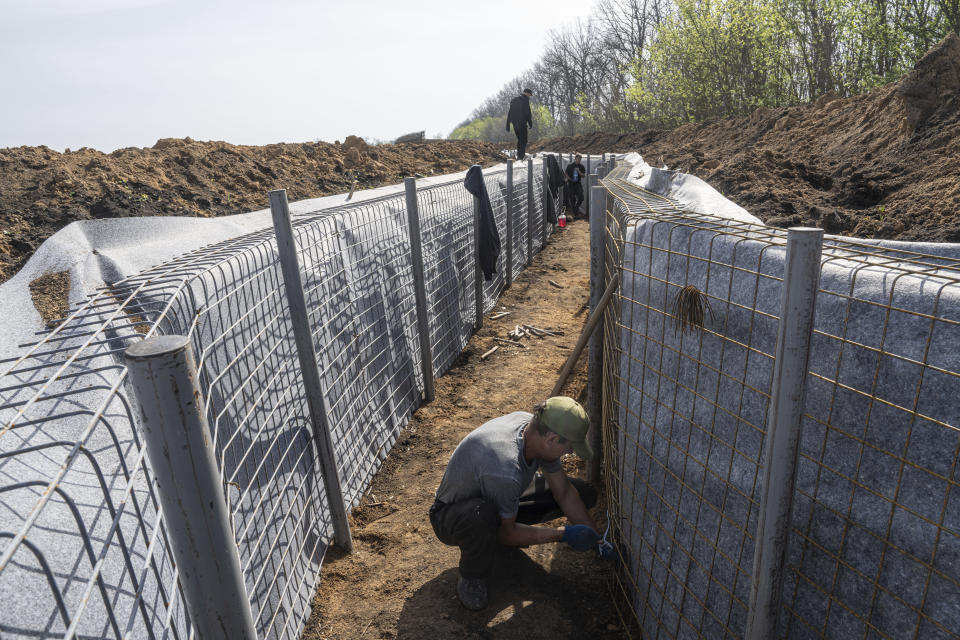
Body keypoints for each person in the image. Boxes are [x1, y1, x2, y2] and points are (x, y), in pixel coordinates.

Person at [429, 396, 600, 610]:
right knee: (482, 516)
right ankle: (472, 576)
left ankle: (499, 530)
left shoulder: (533, 428)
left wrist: (598, 541)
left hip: (497, 495)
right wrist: (563, 534)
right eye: (570, 447)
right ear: (552, 439)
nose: (571, 452)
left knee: (582, 493)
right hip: (455, 517)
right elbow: (506, 533)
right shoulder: (505, 469)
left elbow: (564, 492)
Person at [506, 89, 534, 160]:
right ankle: (521, 156)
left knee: (520, 140)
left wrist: (508, 124)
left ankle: (519, 155)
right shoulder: (525, 100)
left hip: (515, 125)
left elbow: (510, 113)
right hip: (522, 124)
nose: (529, 96)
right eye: (529, 95)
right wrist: (530, 123)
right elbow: (528, 113)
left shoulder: (514, 100)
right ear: (526, 93)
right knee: (523, 140)